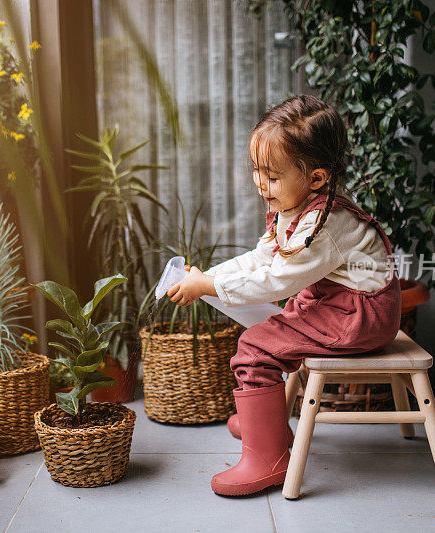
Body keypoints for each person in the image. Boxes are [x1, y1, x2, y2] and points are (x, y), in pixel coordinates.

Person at [167, 94, 402, 496]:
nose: (261, 183)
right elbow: (262, 258)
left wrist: (207, 286)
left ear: (315, 179)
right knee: (277, 324)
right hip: (338, 303)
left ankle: (269, 459)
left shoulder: (324, 226)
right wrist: (208, 276)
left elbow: (278, 280)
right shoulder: (297, 208)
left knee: (255, 346)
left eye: (272, 176)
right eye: (257, 170)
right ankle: (267, 424)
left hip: (360, 316)